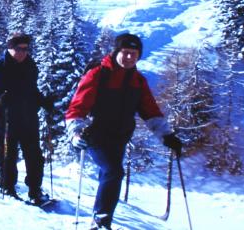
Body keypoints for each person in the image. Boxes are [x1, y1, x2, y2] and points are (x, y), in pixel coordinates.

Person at [65, 33, 183, 229]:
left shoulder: (138, 81)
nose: (129, 58)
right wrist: (75, 132)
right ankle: (101, 221)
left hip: (120, 137)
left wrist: (167, 136)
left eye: (134, 54)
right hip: (95, 135)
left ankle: (100, 216)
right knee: (114, 172)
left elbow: (150, 111)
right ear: (116, 52)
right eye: (126, 52)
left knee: (109, 174)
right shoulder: (98, 74)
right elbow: (77, 106)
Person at [0, 32, 54, 205]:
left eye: (26, 49)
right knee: (8, 157)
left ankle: (35, 191)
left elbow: (32, 91)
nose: (23, 52)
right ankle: (8, 188)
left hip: (27, 118)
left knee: (35, 156)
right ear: (10, 48)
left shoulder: (30, 65)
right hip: (4, 121)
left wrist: (44, 102)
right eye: (19, 49)